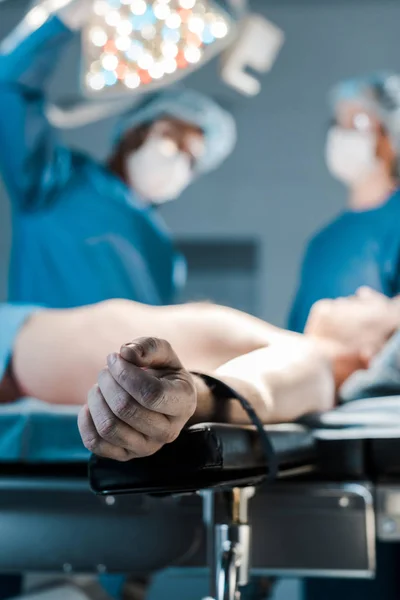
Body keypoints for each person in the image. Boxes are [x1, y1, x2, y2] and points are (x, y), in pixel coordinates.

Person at [0, 0, 236, 310]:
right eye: (171, 138)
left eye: (192, 160)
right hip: (45, 356)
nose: (179, 160)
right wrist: (60, 22)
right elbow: (9, 88)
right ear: (133, 132)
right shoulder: (55, 183)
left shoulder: (164, 254)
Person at [289, 72, 400, 334]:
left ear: (389, 136)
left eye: (357, 122)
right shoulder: (323, 242)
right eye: (338, 124)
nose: (342, 134)